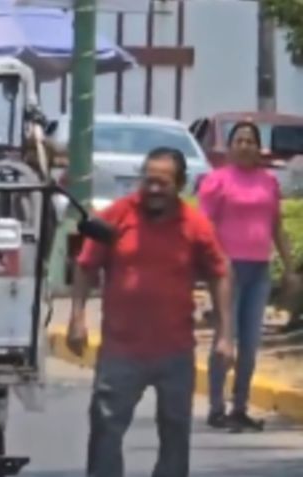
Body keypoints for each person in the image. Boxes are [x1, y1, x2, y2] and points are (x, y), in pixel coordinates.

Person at [69, 147, 234, 477]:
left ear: (181, 184)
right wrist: (77, 317)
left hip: (174, 350)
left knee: (175, 434)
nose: (154, 189)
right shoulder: (118, 215)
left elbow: (220, 272)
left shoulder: (195, 225)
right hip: (121, 350)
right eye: (149, 181)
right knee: (105, 430)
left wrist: (225, 336)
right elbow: (86, 266)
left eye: (164, 182)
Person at [198, 121, 298, 432]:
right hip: (227, 269)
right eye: (239, 140)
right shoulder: (216, 181)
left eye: (250, 141)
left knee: (251, 342)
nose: (245, 146)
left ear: (258, 147)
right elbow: (204, 228)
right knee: (226, 339)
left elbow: (277, 227)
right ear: (230, 147)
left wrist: (291, 267)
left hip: (259, 269)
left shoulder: (268, 182)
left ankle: (239, 406)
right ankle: (216, 406)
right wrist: (215, 263)